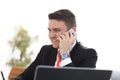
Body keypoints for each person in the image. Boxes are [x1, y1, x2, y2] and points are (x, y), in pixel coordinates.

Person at [11, 9, 98, 80]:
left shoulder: (88, 55)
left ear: (72, 32)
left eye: (56, 30)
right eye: (49, 30)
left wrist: (65, 55)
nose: (51, 35)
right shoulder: (46, 50)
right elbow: (25, 77)